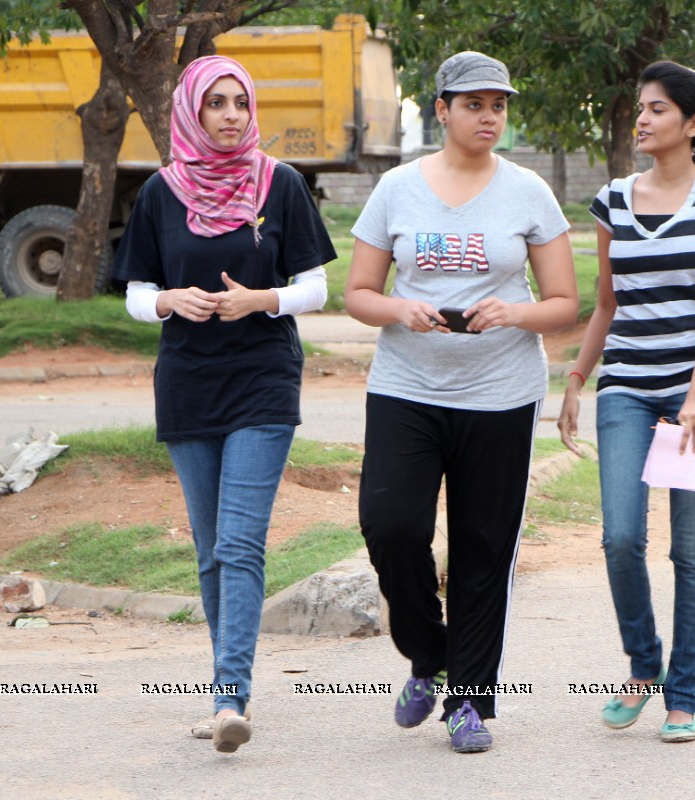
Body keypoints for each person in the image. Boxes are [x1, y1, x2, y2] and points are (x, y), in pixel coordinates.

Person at [345, 51, 577, 754]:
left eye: (498, 105)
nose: (488, 116)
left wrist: (514, 314)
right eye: (473, 103)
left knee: (483, 548)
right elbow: (357, 294)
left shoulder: (529, 192)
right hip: (406, 390)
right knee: (389, 526)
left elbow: (565, 303)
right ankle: (429, 653)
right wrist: (399, 307)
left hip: (501, 396)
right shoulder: (395, 188)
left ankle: (469, 703)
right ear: (440, 109)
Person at [111, 55, 337, 753]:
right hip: (187, 379)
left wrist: (259, 300)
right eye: (217, 103)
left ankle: (229, 696)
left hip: (262, 377)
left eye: (240, 101)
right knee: (210, 552)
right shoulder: (159, 193)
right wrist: (169, 300)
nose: (232, 114)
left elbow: (317, 289)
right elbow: (133, 293)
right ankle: (223, 688)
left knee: (240, 543)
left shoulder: (283, 184)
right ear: (192, 112)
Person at [558, 61, 695, 743]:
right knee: (619, 536)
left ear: (694, 124)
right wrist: (578, 380)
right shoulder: (613, 199)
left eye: (659, 109)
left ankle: (684, 694)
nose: (642, 118)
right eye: (641, 107)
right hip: (628, 387)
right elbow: (607, 302)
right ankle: (644, 665)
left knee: (690, 549)